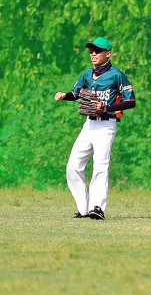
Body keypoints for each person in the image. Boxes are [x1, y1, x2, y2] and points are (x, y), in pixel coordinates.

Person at [53, 37, 136, 220]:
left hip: (106, 125)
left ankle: (97, 207)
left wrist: (108, 108)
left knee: (100, 166)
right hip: (89, 124)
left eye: (98, 51)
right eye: (91, 50)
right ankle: (84, 209)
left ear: (108, 53)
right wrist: (64, 95)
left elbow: (131, 102)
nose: (93, 54)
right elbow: (76, 94)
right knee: (73, 166)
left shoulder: (116, 75)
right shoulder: (86, 75)